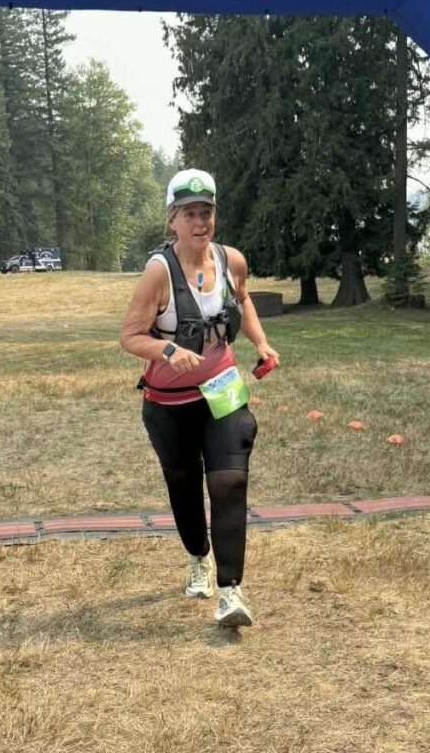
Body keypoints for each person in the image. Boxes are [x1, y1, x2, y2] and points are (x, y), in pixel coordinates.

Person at [119, 169, 279, 628]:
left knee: (228, 481)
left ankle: (231, 592)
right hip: (168, 403)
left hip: (221, 390)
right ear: (173, 219)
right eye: (190, 213)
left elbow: (242, 302)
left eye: (206, 211)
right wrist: (167, 349)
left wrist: (261, 344)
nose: (200, 221)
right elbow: (129, 335)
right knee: (184, 483)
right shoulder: (158, 272)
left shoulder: (231, 261)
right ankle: (198, 557)